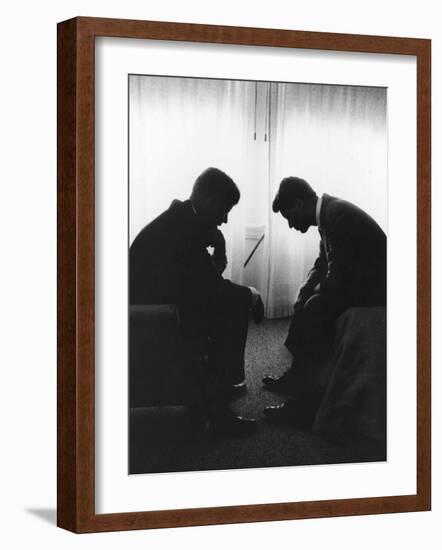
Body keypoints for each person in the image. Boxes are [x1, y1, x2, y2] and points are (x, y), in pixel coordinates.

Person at [130, 167, 263, 435]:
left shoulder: (181, 220)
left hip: (159, 304)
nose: (225, 220)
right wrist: (252, 294)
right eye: (225, 210)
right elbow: (211, 287)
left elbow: (203, 279)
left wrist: (217, 247)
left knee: (230, 300)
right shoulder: (184, 231)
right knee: (236, 304)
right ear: (210, 200)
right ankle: (218, 409)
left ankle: (217, 395)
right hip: (155, 316)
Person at [263, 176, 386, 426]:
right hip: (359, 280)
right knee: (306, 300)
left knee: (315, 308)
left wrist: (313, 293)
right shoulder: (330, 214)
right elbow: (323, 263)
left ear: (299, 204)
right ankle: (297, 376)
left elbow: (338, 278)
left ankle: (304, 407)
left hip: (377, 288)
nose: (290, 225)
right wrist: (306, 287)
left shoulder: (337, 217)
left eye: (288, 217)